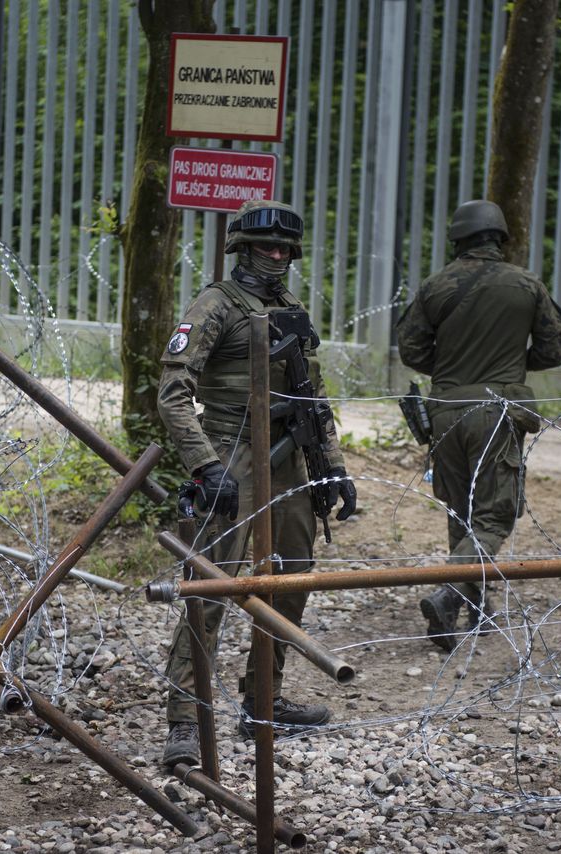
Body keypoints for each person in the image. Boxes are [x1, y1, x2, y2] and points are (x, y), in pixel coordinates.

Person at [156, 199, 358, 767]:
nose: (277, 256)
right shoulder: (215, 306)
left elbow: (313, 399)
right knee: (212, 588)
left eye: (285, 249)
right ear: (242, 249)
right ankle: (184, 720)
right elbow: (172, 394)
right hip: (232, 452)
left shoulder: (291, 308)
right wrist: (205, 463)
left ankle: (262, 700)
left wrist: (333, 466)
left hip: (292, 457)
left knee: (292, 581)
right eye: (267, 247)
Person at [396, 200, 561, 650]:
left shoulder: (436, 286)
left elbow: (411, 350)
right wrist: (510, 363)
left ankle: (472, 607)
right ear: (499, 238)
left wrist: (453, 366)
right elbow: (553, 349)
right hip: (496, 409)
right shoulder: (526, 284)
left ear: (458, 239)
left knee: (462, 508)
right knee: (496, 512)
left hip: (446, 410)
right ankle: (453, 592)